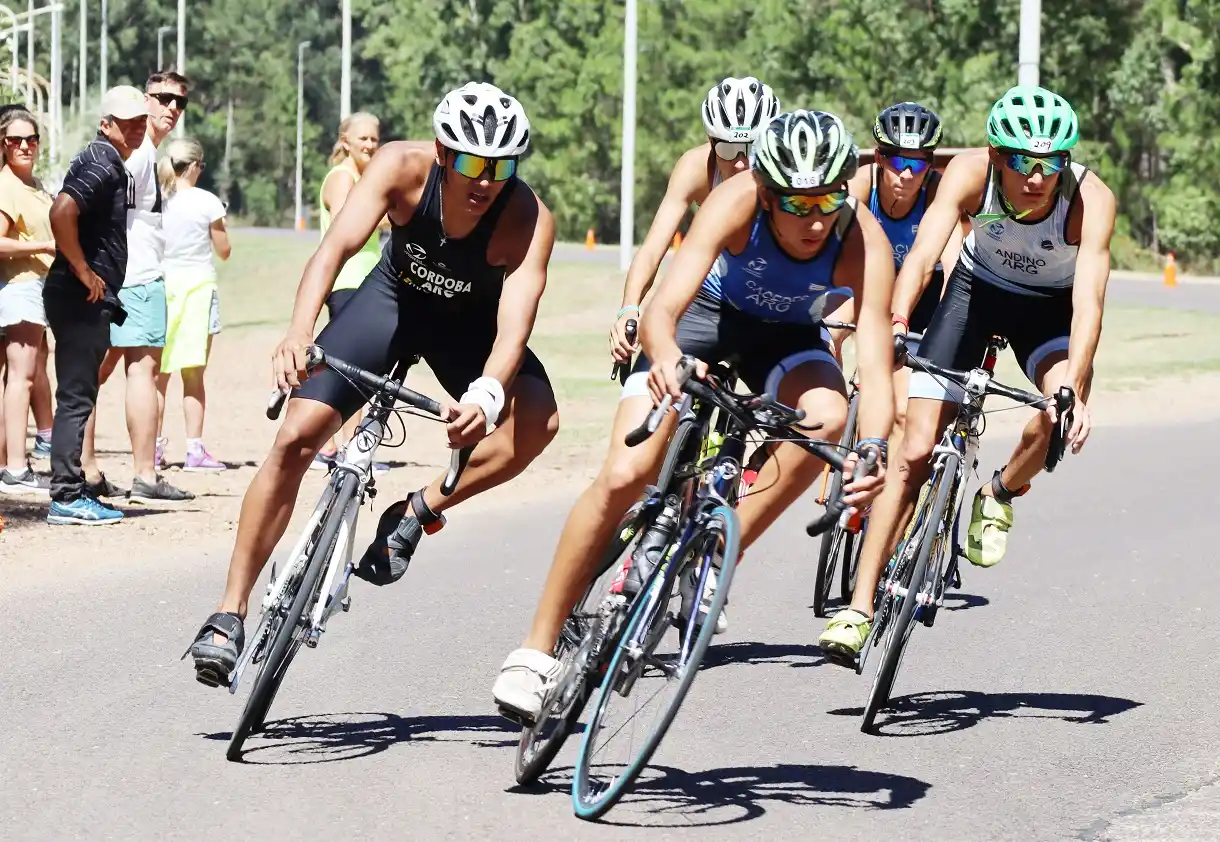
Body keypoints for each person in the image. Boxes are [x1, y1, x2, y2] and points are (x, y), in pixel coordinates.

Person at [493, 109, 898, 724]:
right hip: (703, 319)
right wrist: (666, 359)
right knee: (626, 473)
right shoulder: (735, 202)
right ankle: (535, 650)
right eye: (797, 204)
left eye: (828, 200)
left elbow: (876, 357)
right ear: (767, 192)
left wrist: (874, 449)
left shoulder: (863, 241)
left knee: (829, 417)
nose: (816, 220)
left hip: (787, 337)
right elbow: (662, 311)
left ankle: (716, 551)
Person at [186, 82, 560, 685]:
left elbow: (516, 325)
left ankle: (419, 509)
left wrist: (487, 393)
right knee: (296, 437)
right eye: (472, 163)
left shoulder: (528, 218)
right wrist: (298, 331)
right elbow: (334, 249)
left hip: (467, 329)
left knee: (539, 419)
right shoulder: (400, 167)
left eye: (502, 167)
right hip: (390, 304)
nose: (486, 180)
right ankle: (229, 612)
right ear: (443, 153)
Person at [818, 86, 1114, 659]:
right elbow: (924, 254)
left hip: (1049, 310)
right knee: (912, 452)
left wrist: (1075, 386)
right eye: (1023, 161)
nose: (1037, 177)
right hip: (975, 295)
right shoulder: (970, 175)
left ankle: (1000, 491)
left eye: (1051, 162)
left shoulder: (1090, 199)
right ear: (997, 156)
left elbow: (1089, 302)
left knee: (1055, 415)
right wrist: (898, 320)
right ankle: (858, 609)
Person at [609, 76, 780, 367]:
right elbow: (653, 248)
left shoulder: (785, 176)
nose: (741, 162)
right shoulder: (695, 168)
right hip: (713, 289)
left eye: (752, 148)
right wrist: (629, 307)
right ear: (711, 142)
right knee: (653, 372)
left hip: (772, 292)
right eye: (728, 149)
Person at [81, 70, 194, 502]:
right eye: (163, 98)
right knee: (142, 371)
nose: (172, 108)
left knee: (94, 373)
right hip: (136, 276)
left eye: (179, 102)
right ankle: (145, 474)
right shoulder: (140, 151)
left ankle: (86, 468)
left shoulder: (138, 150)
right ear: (145, 100)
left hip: (113, 275)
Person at [43, 86, 151, 525]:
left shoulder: (102, 159)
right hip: (79, 294)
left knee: (77, 393)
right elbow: (61, 211)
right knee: (75, 396)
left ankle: (70, 489)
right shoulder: (103, 162)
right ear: (106, 124)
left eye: (141, 120)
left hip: (76, 294)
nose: (136, 128)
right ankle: (66, 496)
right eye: (127, 122)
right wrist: (84, 270)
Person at [310, 111, 388, 472]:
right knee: (354, 370)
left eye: (374, 138)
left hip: (363, 279)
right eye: (363, 138)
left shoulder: (360, 178)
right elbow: (350, 223)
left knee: (355, 369)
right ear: (346, 141)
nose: (370, 145)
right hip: (349, 280)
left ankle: (334, 446)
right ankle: (344, 449)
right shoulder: (342, 177)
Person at [154, 137, 231, 470]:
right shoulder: (207, 201)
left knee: (158, 376)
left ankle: (152, 447)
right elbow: (224, 250)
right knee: (194, 376)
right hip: (198, 288)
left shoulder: (156, 198)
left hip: (162, 288)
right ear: (195, 166)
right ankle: (194, 449)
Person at [0, 107, 55, 495]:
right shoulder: (7, 186)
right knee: (21, 378)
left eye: (31, 139)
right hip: (20, 286)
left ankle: (12, 463)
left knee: (21, 377)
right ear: (3, 144)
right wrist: (43, 246)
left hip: (34, 286)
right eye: (15, 140)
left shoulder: (33, 185)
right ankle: (16, 469)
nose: (24, 146)